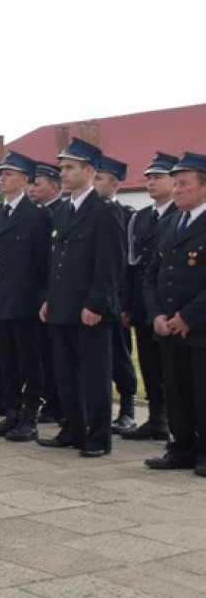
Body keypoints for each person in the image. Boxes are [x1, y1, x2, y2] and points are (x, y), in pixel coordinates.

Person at [38, 138, 125, 457]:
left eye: (69, 167)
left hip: (90, 308)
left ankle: (99, 437)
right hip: (61, 305)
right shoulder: (63, 211)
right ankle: (74, 429)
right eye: (62, 167)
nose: (63, 172)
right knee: (65, 373)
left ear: (89, 171)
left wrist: (95, 304)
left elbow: (110, 264)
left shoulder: (104, 210)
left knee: (94, 375)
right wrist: (49, 298)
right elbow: (56, 261)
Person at [0, 151, 51, 442]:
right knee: (7, 362)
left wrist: (44, 300)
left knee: (29, 362)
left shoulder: (37, 215)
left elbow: (44, 264)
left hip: (26, 302)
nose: (3, 178)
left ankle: (30, 416)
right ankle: (11, 414)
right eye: (1, 174)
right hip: (0, 300)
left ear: (24, 179)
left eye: (9, 174)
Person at [143, 150, 206, 476]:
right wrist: (156, 314)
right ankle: (180, 447)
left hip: (199, 328)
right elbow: (152, 274)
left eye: (184, 184)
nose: (177, 190)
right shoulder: (168, 225)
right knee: (176, 391)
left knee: (201, 390)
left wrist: (188, 317)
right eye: (176, 184)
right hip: (167, 326)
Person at [121, 152, 178, 441]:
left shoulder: (179, 214)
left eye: (158, 177)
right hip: (144, 301)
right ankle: (156, 418)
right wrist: (128, 305)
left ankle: (173, 420)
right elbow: (133, 266)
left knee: (171, 366)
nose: (151, 182)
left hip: (169, 304)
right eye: (149, 177)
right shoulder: (141, 218)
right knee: (148, 363)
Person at [94, 155, 140, 433]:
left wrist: (126, 303)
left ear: (115, 185)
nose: (95, 183)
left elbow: (125, 264)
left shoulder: (126, 216)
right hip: (90, 299)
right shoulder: (85, 213)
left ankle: (128, 409)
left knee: (120, 357)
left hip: (115, 299)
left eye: (100, 179)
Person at [29, 163, 66, 424]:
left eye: (37, 184)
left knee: (56, 356)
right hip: (39, 296)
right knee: (43, 354)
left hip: (53, 295)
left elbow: (49, 261)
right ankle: (50, 401)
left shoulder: (58, 214)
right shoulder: (38, 214)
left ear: (54, 187)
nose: (32, 189)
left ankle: (57, 404)